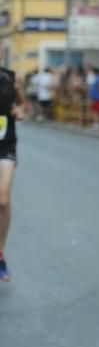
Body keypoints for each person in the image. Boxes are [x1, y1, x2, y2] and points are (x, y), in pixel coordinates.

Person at [0, 64, 26, 281]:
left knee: (3, 201)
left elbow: (23, 104)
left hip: (5, 144)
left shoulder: (11, 78)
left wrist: (20, 110)